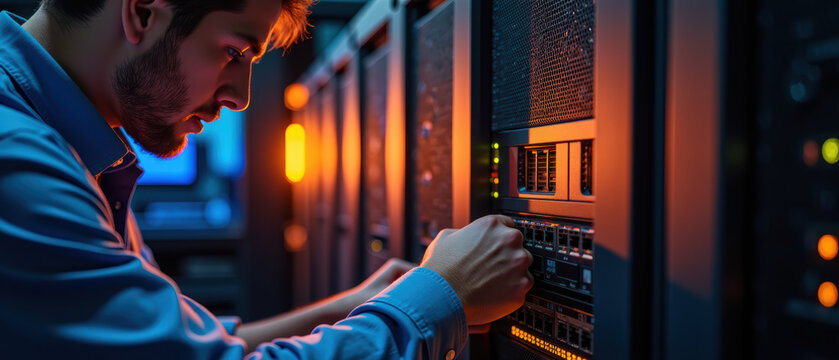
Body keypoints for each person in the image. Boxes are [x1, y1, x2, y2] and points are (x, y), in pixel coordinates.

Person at [0, 0, 534, 358]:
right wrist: (442, 299)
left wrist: (355, 306)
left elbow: (184, 346)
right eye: (234, 52)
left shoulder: (65, 146)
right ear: (141, 11)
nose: (241, 96)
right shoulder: (20, 161)